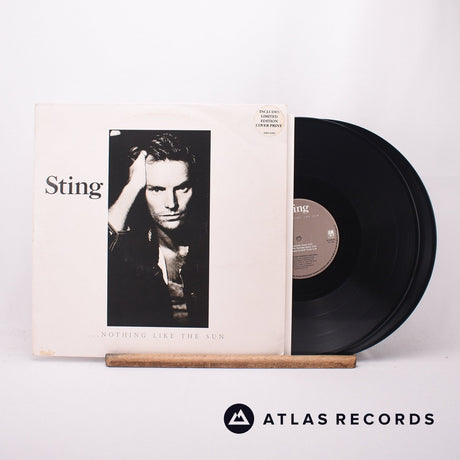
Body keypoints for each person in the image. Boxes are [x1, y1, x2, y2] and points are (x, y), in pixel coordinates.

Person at [107, 132, 209, 327]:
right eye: (157, 189)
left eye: (182, 188)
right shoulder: (132, 259)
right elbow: (90, 258)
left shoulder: (213, 246)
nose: (171, 204)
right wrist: (132, 187)